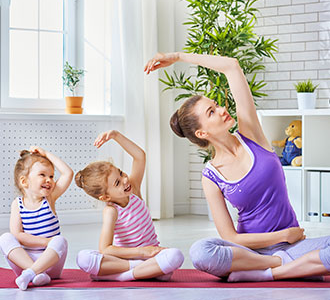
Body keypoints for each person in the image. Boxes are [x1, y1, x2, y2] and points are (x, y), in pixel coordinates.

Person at [144, 52, 330, 282]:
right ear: (202, 133)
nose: (222, 109)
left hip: (292, 247)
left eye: (216, 105)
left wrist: (178, 56)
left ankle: (270, 273)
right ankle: (287, 268)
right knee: (201, 251)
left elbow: (232, 66)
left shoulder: (251, 135)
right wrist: (282, 235)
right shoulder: (211, 176)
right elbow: (230, 237)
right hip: (250, 253)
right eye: (211, 112)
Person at [75, 130, 184, 281]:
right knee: (84, 258)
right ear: (106, 196)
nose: (125, 180)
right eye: (117, 183)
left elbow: (140, 156)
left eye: (121, 173)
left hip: (150, 257)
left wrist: (115, 135)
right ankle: (137, 271)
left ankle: (119, 276)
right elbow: (105, 249)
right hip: (127, 260)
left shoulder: (134, 190)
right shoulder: (111, 211)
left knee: (175, 256)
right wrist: (142, 252)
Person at [0, 147, 73, 290]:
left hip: (50, 260)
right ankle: (34, 272)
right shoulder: (17, 204)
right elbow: (18, 235)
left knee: (60, 241)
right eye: (42, 175)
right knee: (5, 238)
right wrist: (46, 241)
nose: (49, 180)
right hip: (24, 261)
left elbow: (68, 173)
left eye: (51, 176)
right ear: (24, 181)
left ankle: (31, 273)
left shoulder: (50, 198)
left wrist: (47, 154)